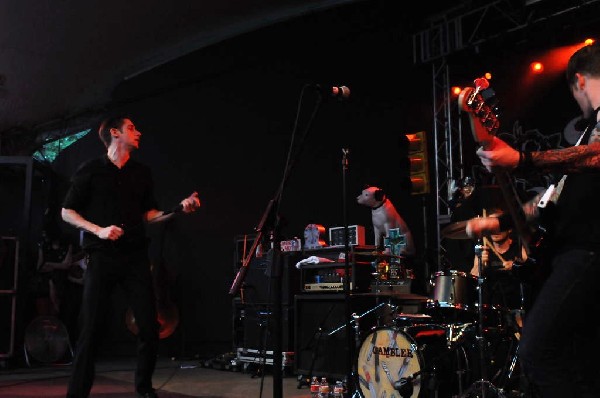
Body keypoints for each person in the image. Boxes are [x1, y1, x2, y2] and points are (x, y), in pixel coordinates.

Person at [465, 43, 600, 397]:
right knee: (577, 360)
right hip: (574, 251)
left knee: (538, 351)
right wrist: (502, 223)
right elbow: (552, 198)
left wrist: (522, 159)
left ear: (580, 82)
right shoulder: (590, 130)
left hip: (588, 251)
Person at [61, 115, 201, 398]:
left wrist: (179, 208)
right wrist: (98, 230)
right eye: (132, 128)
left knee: (150, 327)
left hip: (135, 257)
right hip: (102, 256)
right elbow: (67, 211)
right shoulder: (90, 170)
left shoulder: (141, 172)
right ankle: (77, 393)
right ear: (115, 133)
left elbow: (149, 215)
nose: (138, 132)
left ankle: (144, 388)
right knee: (91, 328)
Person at [469, 207, 528, 311]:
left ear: (509, 228)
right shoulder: (484, 249)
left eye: (498, 226)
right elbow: (473, 279)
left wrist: (515, 265)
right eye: (491, 228)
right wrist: (480, 264)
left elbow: (532, 272)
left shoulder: (519, 247)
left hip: (517, 305)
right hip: (492, 307)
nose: (495, 231)